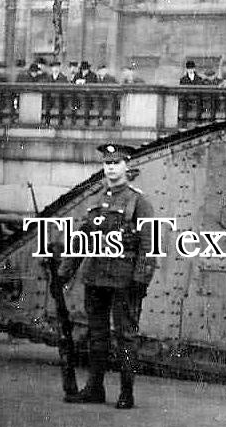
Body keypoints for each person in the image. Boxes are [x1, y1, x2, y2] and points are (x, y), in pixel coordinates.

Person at [58, 143, 155, 409]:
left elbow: (149, 245)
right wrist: (64, 272)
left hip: (125, 280)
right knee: (97, 334)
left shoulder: (138, 201)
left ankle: (126, 392)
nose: (111, 168)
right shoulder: (95, 200)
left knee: (126, 336)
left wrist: (141, 280)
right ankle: (94, 389)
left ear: (126, 166)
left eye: (116, 163)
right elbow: (81, 239)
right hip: (96, 276)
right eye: (107, 163)